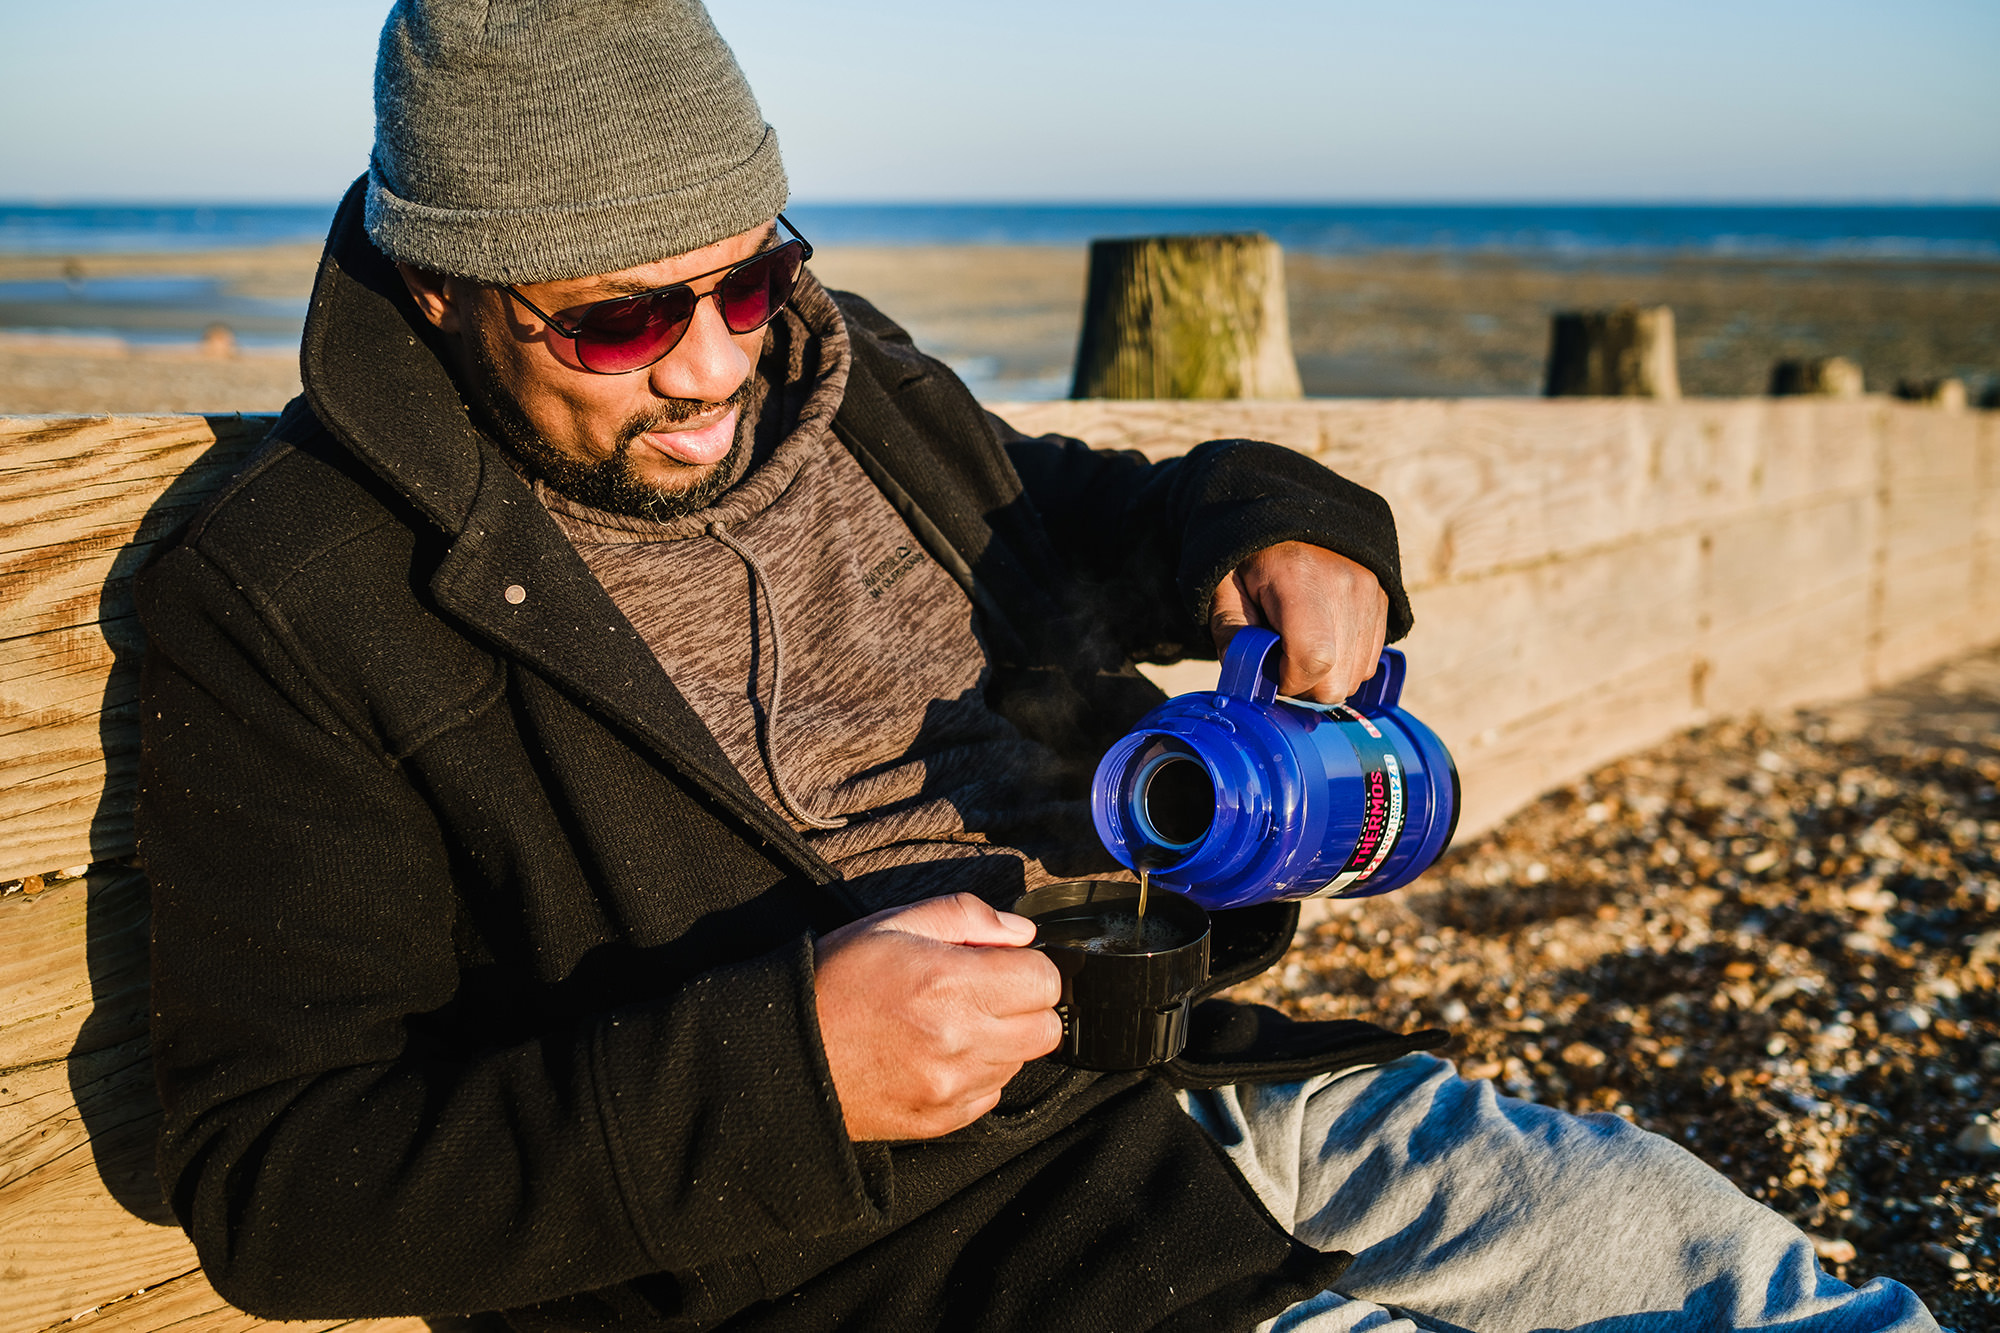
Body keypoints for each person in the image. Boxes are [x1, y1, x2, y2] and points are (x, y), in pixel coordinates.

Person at [136, 3, 1941, 1330]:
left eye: (746, 283)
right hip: (906, 1265)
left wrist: (1273, 528)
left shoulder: (850, 390)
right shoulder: (293, 593)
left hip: (1205, 1081)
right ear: (442, 287)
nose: (704, 369)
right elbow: (279, 1178)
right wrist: (786, 1069)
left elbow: (1076, 519)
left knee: (1739, 1277)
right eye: (617, 319)